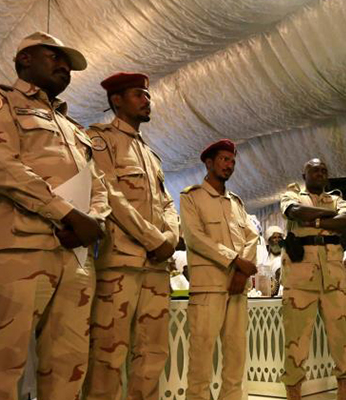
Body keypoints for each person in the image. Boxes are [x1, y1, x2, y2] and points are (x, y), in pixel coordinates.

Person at [0, 31, 110, 400]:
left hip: (75, 257)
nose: (65, 66)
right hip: (22, 251)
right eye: (54, 56)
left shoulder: (74, 128)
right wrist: (67, 213)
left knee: (68, 366)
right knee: (5, 364)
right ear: (25, 59)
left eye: (69, 63)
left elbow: (98, 184)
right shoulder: (6, 102)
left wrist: (95, 220)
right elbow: (5, 166)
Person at [83, 72, 180, 400]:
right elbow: (110, 195)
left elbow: (167, 203)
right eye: (138, 94)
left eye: (147, 95)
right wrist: (155, 240)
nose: (146, 100)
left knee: (153, 354)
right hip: (120, 264)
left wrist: (171, 237)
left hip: (155, 268)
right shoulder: (100, 139)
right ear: (116, 100)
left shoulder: (151, 155)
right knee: (108, 354)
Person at [179, 139, 259, 400]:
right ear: (209, 163)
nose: (229, 165)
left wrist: (242, 273)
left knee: (236, 354)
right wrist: (235, 260)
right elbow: (195, 238)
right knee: (201, 355)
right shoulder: (191, 197)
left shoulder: (236, 203)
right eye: (224, 159)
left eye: (232, 161)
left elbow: (252, 237)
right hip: (208, 288)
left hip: (237, 287)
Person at [280, 158, 346, 400]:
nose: (320, 173)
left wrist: (315, 220)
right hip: (300, 277)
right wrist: (330, 217)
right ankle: (293, 391)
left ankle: (345, 389)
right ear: (304, 175)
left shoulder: (338, 199)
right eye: (314, 170)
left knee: (341, 334)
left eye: (324, 170)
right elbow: (296, 212)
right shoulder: (292, 195)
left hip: (333, 275)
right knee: (296, 336)